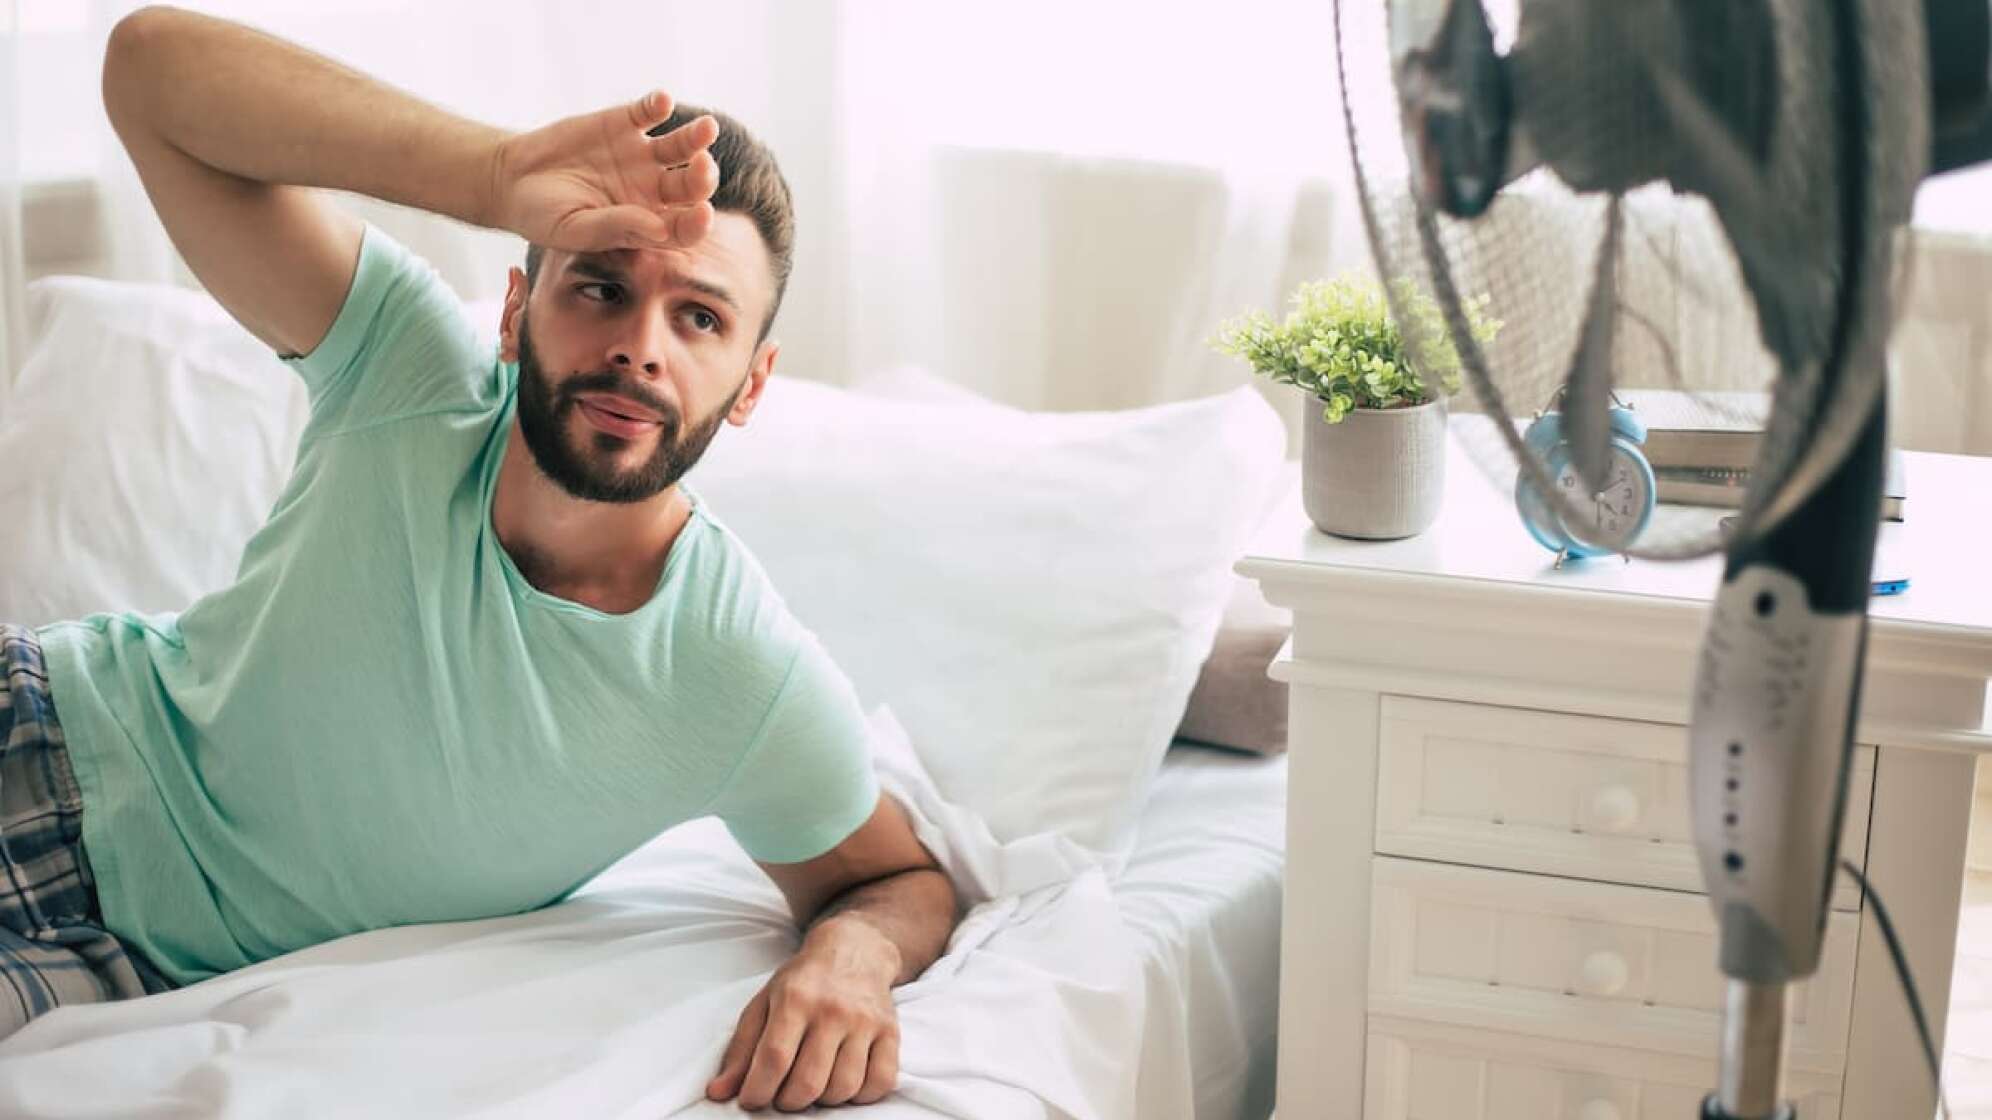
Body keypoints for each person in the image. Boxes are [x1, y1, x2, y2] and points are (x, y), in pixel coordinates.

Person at [0, 5, 961, 1112]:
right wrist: (496, 173)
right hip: (49, 726)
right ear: (517, 308)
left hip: (120, 963)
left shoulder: (737, 674)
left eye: (698, 317)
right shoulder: (409, 375)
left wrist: (854, 956)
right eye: (600, 284)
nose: (638, 344)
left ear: (751, 383)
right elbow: (149, 70)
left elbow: (895, 879)